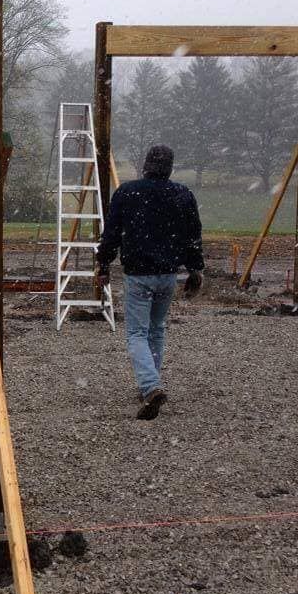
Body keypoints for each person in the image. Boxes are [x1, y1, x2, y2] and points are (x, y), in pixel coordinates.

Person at [95, 144, 204, 421]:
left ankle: (150, 385)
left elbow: (112, 234)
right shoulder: (182, 195)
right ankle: (149, 382)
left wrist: (104, 263)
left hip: (138, 274)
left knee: (136, 334)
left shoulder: (127, 193)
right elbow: (193, 234)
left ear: (146, 165)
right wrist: (194, 269)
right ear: (170, 167)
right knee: (156, 330)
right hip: (168, 273)